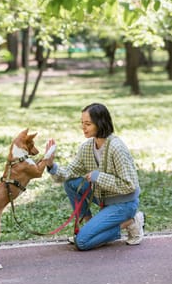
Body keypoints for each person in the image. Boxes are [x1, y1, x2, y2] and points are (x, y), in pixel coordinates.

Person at [45, 102, 144, 250]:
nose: (83, 127)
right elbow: (67, 174)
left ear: (100, 123)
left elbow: (129, 185)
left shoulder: (116, 148)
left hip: (124, 203)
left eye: (88, 124)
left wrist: (98, 176)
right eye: (82, 123)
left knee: (82, 242)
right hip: (103, 197)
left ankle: (131, 222)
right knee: (71, 183)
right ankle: (90, 225)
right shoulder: (86, 147)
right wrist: (51, 165)